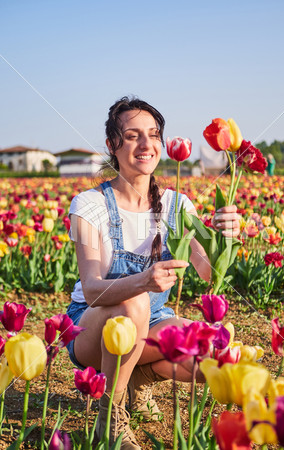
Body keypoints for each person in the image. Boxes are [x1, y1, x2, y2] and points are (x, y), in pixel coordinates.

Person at [66, 96, 240, 448]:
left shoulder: (177, 206)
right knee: (135, 305)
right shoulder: (90, 205)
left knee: (211, 354)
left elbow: (207, 272)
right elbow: (92, 288)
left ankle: (135, 378)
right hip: (91, 324)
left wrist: (227, 239)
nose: (146, 144)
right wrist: (143, 282)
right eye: (132, 136)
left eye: (153, 134)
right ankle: (110, 416)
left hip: (157, 318)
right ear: (112, 145)